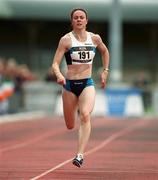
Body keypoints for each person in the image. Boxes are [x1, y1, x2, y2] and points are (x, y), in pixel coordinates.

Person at [52, 8, 110, 168]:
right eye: (76, 18)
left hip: (87, 84)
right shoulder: (66, 40)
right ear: (72, 21)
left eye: (81, 17)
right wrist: (59, 75)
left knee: (85, 115)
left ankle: (79, 155)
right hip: (69, 85)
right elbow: (55, 63)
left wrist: (105, 71)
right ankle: (73, 116)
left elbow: (105, 52)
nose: (79, 20)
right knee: (70, 125)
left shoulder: (95, 38)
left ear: (86, 21)